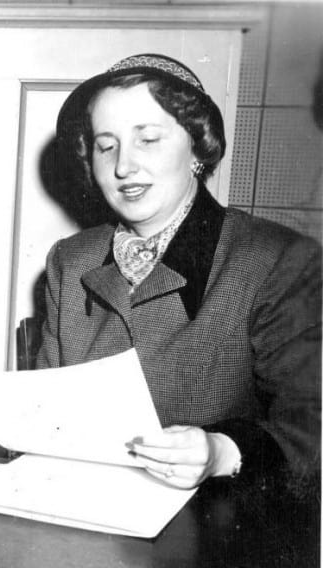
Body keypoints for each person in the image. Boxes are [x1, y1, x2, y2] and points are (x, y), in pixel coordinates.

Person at [43, 53, 321, 494]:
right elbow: (48, 417)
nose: (123, 167)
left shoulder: (278, 259)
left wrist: (220, 451)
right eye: (106, 145)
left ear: (196, 145)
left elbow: (312, 426)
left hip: (222, 524)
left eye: (148, 139)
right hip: (90, 512)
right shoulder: (70, 260)